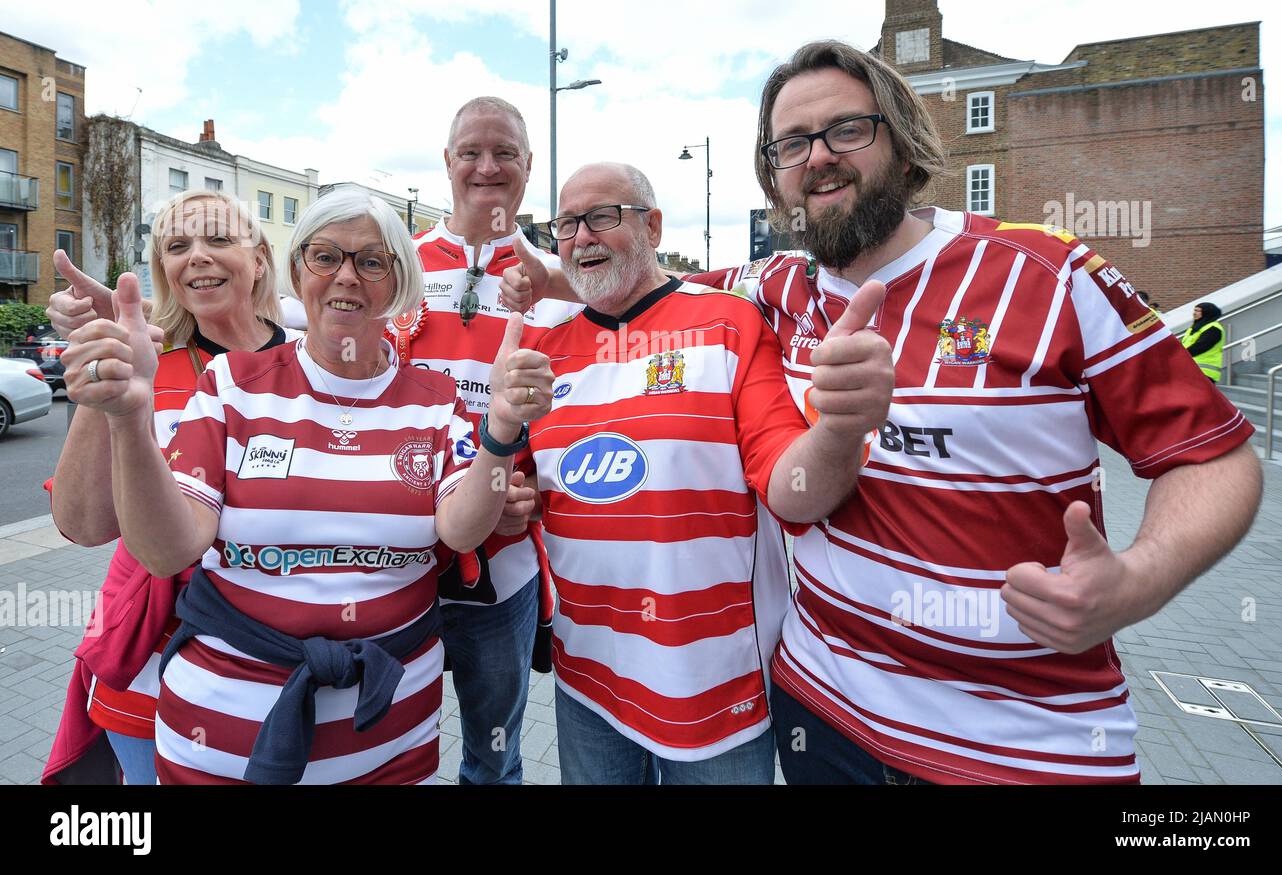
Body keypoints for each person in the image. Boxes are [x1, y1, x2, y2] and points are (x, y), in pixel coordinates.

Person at [504, 40, 1263, 785]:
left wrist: (1139, 580)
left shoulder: (1046, 273)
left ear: (901, 141)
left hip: (1029, 746)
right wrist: (549, 273)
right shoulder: (775, 287)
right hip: (824, 717)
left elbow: (1214, 454)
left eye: (846, 130)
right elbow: (650, 284)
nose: (818, 157)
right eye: (791, 144)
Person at [65, 187, 553, 784]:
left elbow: (460, 527)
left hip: (392, 746)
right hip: (221, 742)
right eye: (326, 257)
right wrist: (127, 420)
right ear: (299, 272)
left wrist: (500, 433)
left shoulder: (435, 400)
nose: (347, 276)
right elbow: (168, 551)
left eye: (372, 261)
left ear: (398, 285)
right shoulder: (231, 383)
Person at [524, 162, 891, 784]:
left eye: (603, 217)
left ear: (654, 225)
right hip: (584, 674)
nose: (581, 235)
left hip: (717, 687)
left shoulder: (731, 323)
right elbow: (534, 493)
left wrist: (839, 429)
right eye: (567, 223)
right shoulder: (543, 349)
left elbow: (790, 490)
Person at [43, 189, 288, 785]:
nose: (197, 256)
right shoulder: (145, 362)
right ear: (164, 271)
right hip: (153, 658)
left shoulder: (315, 363)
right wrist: (109, 398)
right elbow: (83, 524)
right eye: (178, 246)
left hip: (279, 662)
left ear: (258, 259)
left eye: (218, 240)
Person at [390, 96, 581, 785]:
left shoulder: (561, 286)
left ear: (529, 167)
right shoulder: (392, 268)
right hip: (396, 566)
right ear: (446, 162)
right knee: (384, 756)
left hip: (501, 573)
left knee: (493, 760)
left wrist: (528, 492)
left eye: (505, 152)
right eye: (470, 150)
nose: (487, 166)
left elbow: (579, 423)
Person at [1181, 301, 1225, 381]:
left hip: (1204, 372)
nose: (1194, 313)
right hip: (1192, 370)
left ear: (1207, 313)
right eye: (1194, 310)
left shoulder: (1213, 329)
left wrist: (1179, 355)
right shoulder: (1195, 328)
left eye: (1198, 311)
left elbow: (1200, 347)